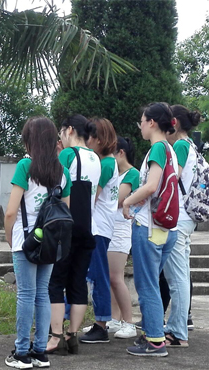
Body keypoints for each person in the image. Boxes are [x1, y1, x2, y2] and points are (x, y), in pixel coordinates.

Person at [4, 116, 71, 369]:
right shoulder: (63, 172)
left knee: (25, 294)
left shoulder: (25, 166)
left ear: (30, 141)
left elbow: (11, 212)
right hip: (51, 242)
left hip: (26, 240)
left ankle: (21, 352)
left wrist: (9, 236)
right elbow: (65, 211)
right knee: (43, 293)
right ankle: (40, 351)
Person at [122, 102, 178, 357]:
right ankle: (151, 333)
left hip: (149, 226)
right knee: (152, 282)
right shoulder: (171, 149)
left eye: (142, 121)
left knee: (147, 285)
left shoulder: (157, 148)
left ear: (152, 122)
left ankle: (155, 340)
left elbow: (151, 186)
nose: (141, 126)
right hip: (166, 227)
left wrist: (127, 201)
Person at [46, 114, 101, 356]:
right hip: (88, 228)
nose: (60, 137)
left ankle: (55, 336)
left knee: (55, 281)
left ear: (69, 130)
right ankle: (72, 335)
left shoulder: (68, 154)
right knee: (78, 282)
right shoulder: (96, 158)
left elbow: (54, 185)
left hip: (66, 227)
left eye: (61, 132)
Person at [161, 104, 202, 347]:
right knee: (181, 275)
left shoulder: (180, 146)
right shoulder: (192, 146)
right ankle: (178, 327)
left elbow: (172, 177)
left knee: (176, 278)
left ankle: (177, 331)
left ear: (174, 122)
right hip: (187, 218)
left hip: (179, 218)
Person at [82, 117, 119, 344]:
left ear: (98, 139)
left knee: (98, 275)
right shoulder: (109, 162)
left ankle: (102, 324)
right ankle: (101, 322)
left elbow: (92, 198)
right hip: (103, 227)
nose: (86, 142)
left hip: (98, 227)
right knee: (98, 274)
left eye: (89, 137)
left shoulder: (104, 165)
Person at [104, 136, 140, 339]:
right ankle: (114, 319)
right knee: (110, 277)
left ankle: (129, 322)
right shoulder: (115, 173)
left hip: (120, 229)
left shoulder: (132, 174)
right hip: (109, 227)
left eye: (111, 153)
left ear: (121, 153)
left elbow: (117, 200)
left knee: (116, 277)